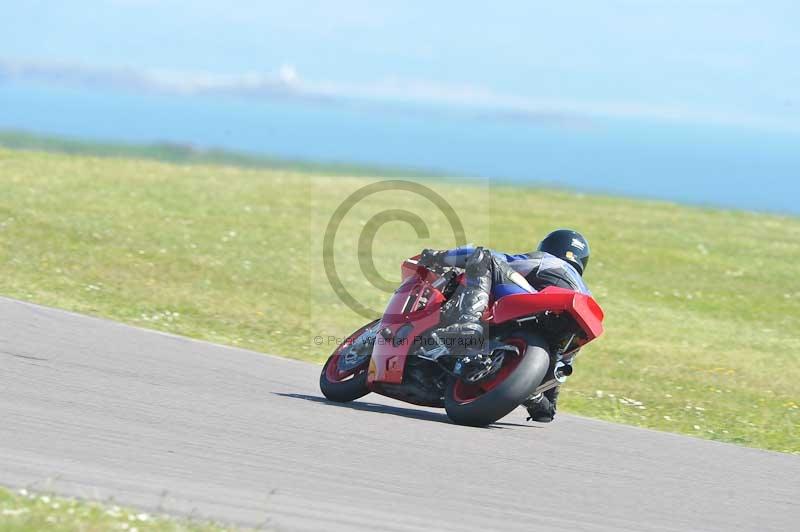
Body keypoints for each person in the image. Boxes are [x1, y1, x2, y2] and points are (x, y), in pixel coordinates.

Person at [418, 229, 592, 423]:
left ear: (550, 246)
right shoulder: (585, 292)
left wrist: (437, 257)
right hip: (562, 332)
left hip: (534, 306)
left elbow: (501, 259)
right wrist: (547, 403)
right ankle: (538, 398)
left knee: (483, 257)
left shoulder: (548, 260)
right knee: (559, 357)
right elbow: (563, 361)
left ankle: (468, 326)